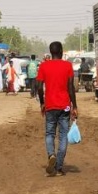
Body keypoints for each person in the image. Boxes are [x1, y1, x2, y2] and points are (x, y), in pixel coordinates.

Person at [36, 41, 78, 177]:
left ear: (51, 52)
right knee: (63, 135)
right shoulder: (67, 66)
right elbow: (71, 87)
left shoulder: (43, 66)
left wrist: (42, 103)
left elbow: (38, 87)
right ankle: (59, 167)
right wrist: (74, 106)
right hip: (64, 106)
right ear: (61, 51)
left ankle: (51, 155)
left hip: (50, 105)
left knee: (49, 134)